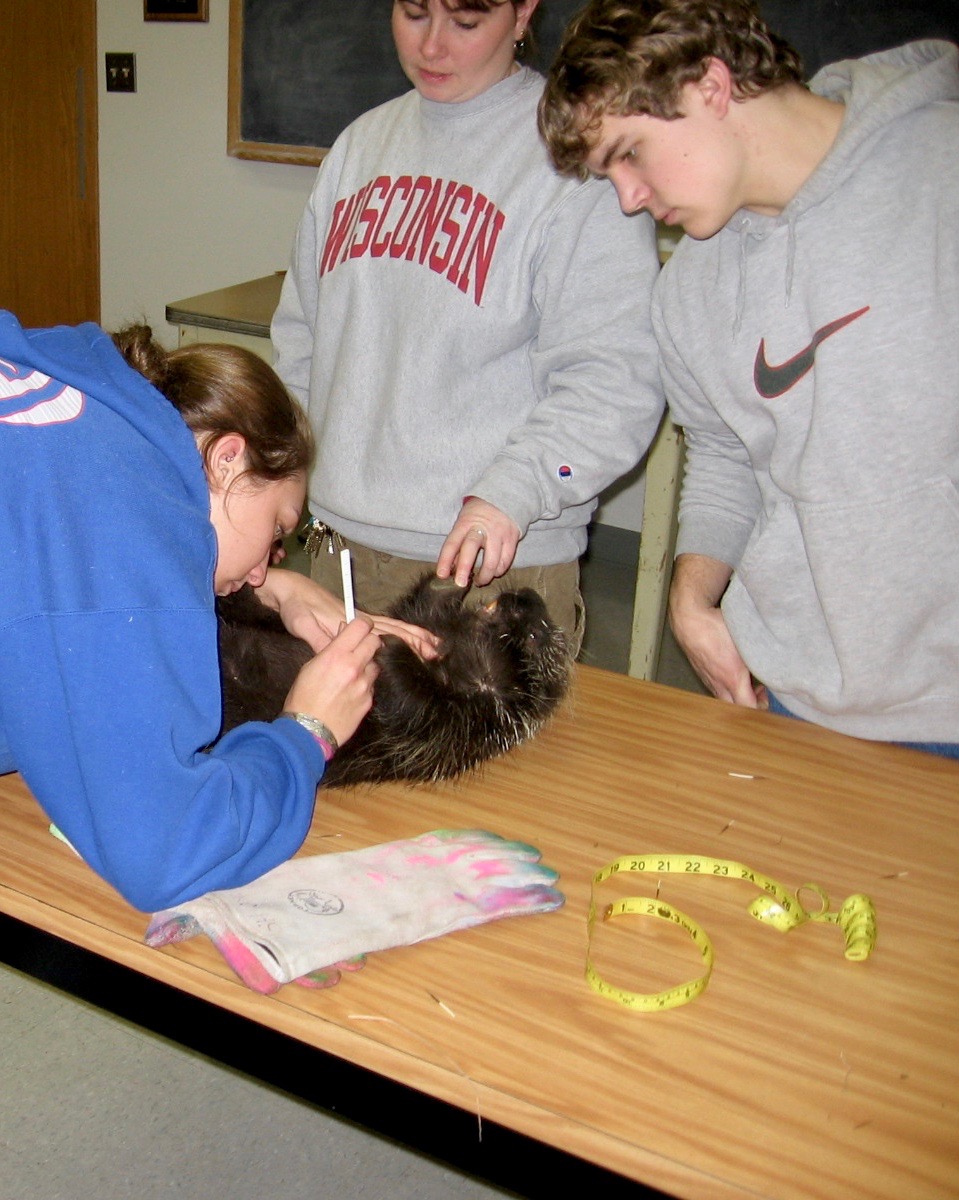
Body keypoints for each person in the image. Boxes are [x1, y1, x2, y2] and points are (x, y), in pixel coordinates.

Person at [539, 0, 959, 756]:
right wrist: (693, 598)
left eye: (630, 154)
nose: (629, 198)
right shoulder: (688, 291)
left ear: (709, 85)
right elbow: (725, 456)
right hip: (799, 700)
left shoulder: (940, 173)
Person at [0, 311, 436, 912]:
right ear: (228, 459)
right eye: (279, 529)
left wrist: (271, 585)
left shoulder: (74, 397)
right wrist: (308, 732)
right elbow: (165, 850)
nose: (262, 566)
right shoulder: (126, 523)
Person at [271, 0, 665, 656]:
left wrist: (515, 491)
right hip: (338, 550)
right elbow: (302, 339)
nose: (430, 46)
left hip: (487, 572)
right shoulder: (360, 146)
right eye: (413, 12)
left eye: (464, 21)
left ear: (520, 14)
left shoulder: (576, 162)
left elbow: (616, 384)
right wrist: (275, 473)